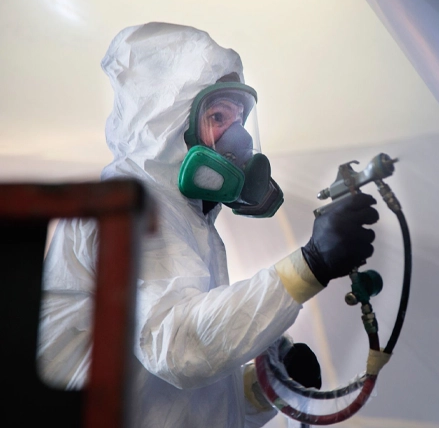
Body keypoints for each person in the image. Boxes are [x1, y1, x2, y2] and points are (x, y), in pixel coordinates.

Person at [38, 22, 378, 428]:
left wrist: (261, 389)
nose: (238, 140)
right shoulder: (129, 208)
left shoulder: (189, 223)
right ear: (169, 126)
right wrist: (311, 265)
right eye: (218, 116)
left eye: (240, 120)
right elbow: (177, 347)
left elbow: (184, 403)